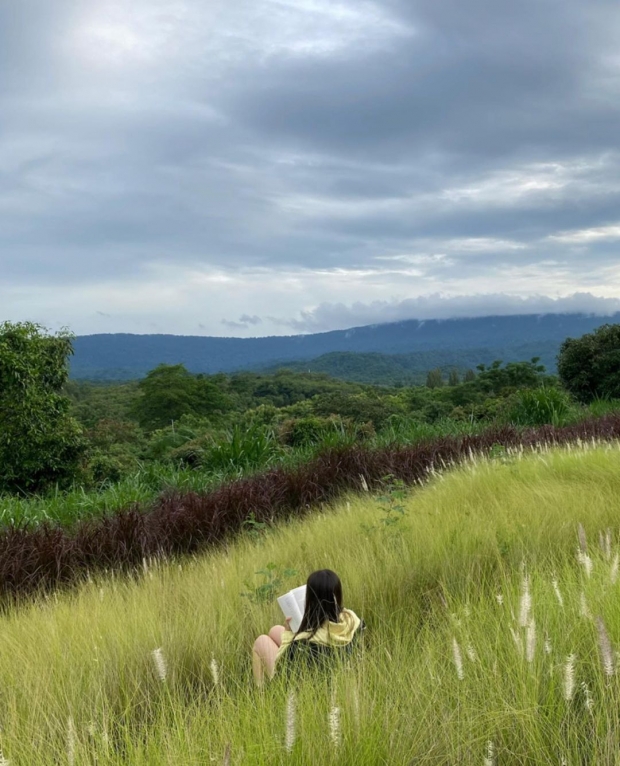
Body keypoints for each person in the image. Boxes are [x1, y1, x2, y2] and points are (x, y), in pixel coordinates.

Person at [252, 569, 363, 685]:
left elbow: (284, 666)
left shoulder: (302, 644)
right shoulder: (352, 622)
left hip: (301, 681)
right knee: (275, 630)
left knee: (261, 641)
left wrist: (289, 634)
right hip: (334, 660)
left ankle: (262, 692)